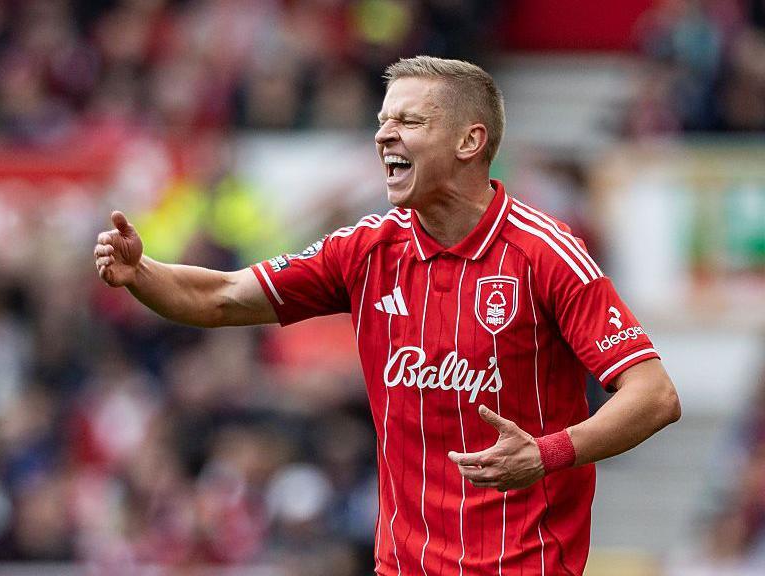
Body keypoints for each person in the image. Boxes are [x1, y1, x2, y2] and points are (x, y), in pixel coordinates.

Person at [92, 55, 681, 575]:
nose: (384, 136)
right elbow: (222, 296)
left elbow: (654, 395)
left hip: (521, 567)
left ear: (469, 141)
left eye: (408, 121)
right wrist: (141, 275)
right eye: (381, 122)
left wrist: (546, 454)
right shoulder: (366, 249)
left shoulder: (544, 252)